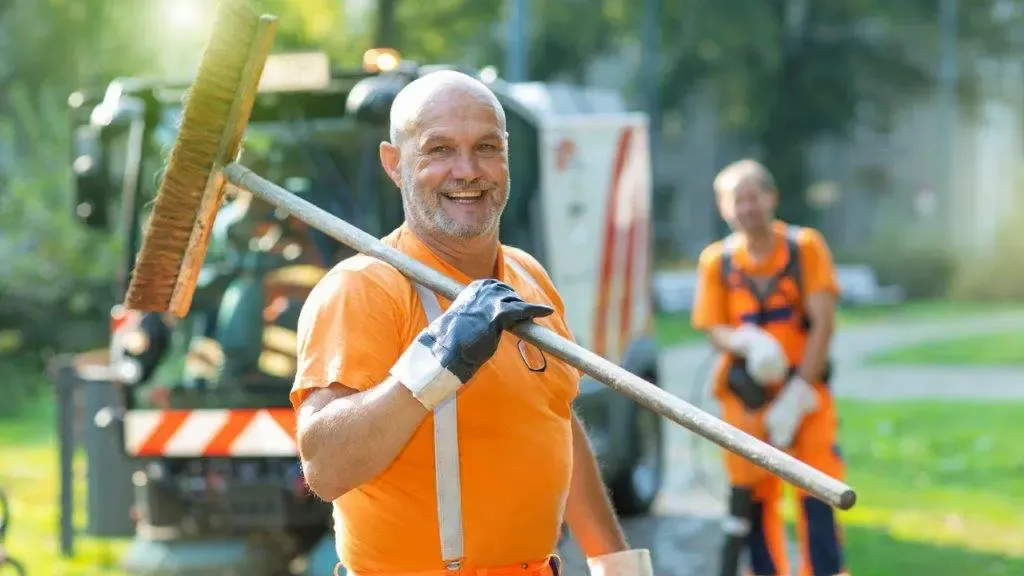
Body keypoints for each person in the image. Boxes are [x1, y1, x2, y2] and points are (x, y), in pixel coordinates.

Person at [290, 70, 653, 576]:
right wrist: (435, 363)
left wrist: (619, 566)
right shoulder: (364, 288)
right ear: (394, 164)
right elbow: (325, 467)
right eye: (438, 150)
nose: (467, 170)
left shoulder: (527, 276)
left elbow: (555, 423)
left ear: (507, 157)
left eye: (486, 147)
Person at [690, 159, 849, 576]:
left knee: (818, 495)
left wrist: (798, 393)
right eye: (736, 199)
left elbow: (823, 323)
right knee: (754, 504)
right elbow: (713, 327)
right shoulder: (717, 262)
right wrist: (746, 340)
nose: (746, 207)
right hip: (748, 403)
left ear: (771, 197)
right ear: (724, 208)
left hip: (807, 396)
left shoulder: (805, 247)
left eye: (753, 196)